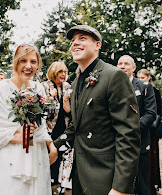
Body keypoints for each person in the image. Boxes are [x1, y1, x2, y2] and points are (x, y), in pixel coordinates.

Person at [50, 25, 141, 195]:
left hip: (105, 179)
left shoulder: (114, 76)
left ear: (97, 45)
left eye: (82, 38)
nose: (75, 43)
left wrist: (121, 187)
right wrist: (53, 147)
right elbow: (77, 128)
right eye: (72, 40)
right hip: (79, 177)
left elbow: (128, 134)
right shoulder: (76, 83)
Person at [0, 44, 55, 195]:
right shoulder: (2, 88)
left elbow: (41, 125)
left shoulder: (39, 88)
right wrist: (15, 137)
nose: (28, 66)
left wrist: (51, 145)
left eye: (33, 61)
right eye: (23, 60)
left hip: (37, 152)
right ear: (16, 62)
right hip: (13, 153)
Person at [117, 58, 157, 195]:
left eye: (126, 64)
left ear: (133, 68)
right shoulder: (111, 86)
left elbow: (151, 113)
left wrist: (132, 130)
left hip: (138, 141)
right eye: (120, 64)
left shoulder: (144, 86)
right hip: (115, 141)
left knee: (141, 182)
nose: (123, 66)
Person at [41, 61, 71, 190]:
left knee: (60, 155)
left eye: (64, 72)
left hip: (63, 126)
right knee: (48, 155)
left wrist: (65, 99)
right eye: (60, 72)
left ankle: (57, 184)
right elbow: (42, 110)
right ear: (54, 72)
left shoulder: (67, 87)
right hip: (49, 127)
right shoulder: (44, 86)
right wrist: (50, 97)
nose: (63, 74)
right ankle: (46, 182)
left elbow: (68, 111)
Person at [137, 68, 161, 195]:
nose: (141, 80)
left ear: (148, 78)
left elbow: (156, 111)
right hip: (138, 129)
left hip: (149, 129)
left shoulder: (153, 90)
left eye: (143, 78)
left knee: (149, 163)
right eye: (139, 78)